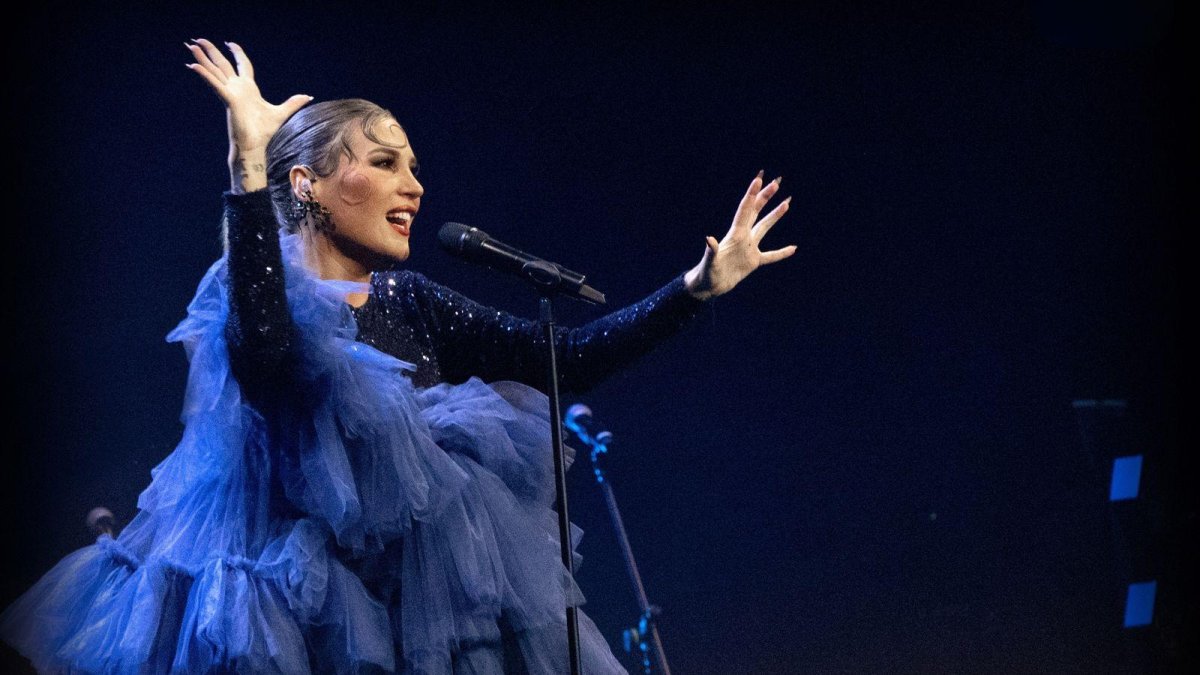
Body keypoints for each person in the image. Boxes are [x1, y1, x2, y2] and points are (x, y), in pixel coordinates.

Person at [0, 39, 796, 674]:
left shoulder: (413, 299)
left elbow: (569, 358)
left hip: (415, 614)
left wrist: (696, 286)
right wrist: (248, 166)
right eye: (384, 163)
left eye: (412, 166)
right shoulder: (252, 289)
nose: (413, 185)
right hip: (281, 614)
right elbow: (268, 352)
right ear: (307, 183)